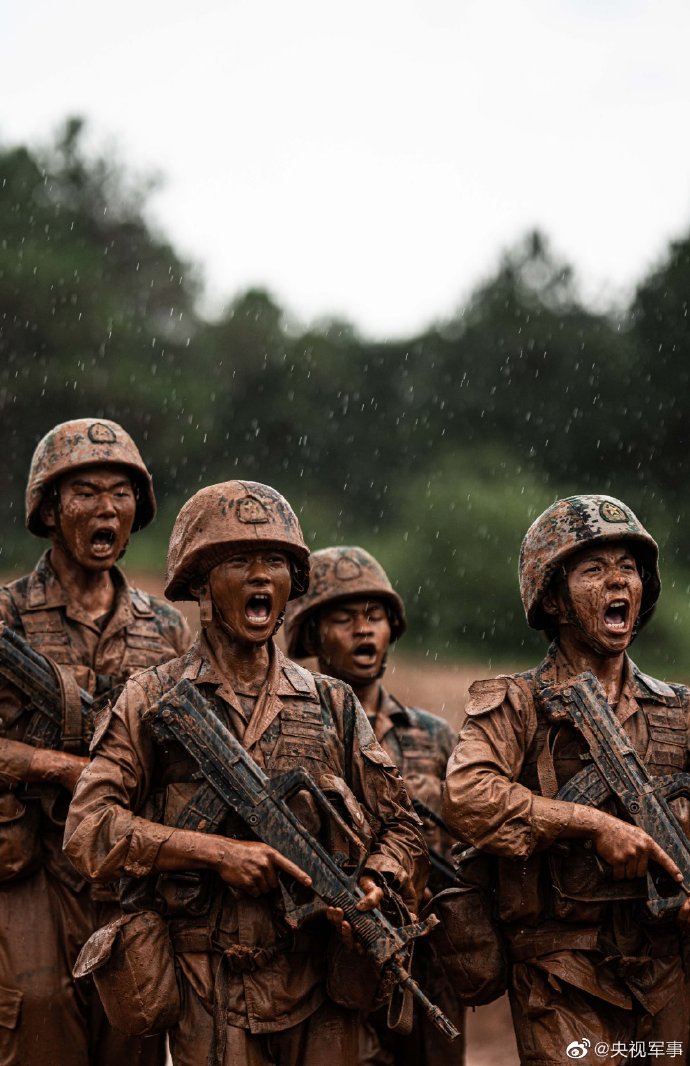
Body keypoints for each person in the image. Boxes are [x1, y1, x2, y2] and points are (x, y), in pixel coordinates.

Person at [64, 480, 428, 1066]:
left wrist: (375, 882)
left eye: (276, 563)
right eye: (240, 562)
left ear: (293, 587)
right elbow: (87, 830)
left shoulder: (332, 704)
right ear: (202, 585)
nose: (261, 577)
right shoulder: (151, 699)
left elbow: (403, 826)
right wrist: (213, 853)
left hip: (321, 984)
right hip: (209, 987)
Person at [442, 494, 690, 1066]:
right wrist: (589, 824)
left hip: (666, 971)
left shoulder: (677, 708)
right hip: (561, 974)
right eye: (594, 569)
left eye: (628, 567)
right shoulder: (518, 704)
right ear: (552, 598)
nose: (617, 582)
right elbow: (467, 794)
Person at [0, 417, 191, 1066]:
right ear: (49, 509)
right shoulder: (7, 617)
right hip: (31, 864)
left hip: (127, 870)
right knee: (40, 1013)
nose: (106, 506)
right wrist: (61, 768)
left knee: (134, 1029)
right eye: (85, 492)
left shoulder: (164, 629)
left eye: (120, 491)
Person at [284, 545, 461, 1066]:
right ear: (313, 635)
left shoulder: (434, 736)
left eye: (375, 616)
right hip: (330, 957)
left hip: (427, 957)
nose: (364, 630)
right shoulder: (297, 733)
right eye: (344, 618)